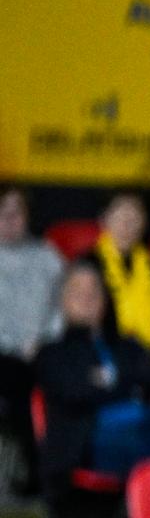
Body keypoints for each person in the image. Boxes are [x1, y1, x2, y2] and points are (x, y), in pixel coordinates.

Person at [35, 262, 150, 518]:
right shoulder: (53, 353)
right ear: (63, 301)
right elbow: (74, 393)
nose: (87, 298)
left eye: (94, 291)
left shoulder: (124, 346)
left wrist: (107, 382)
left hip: (138, 432)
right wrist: (126, 383)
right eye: (78, 291)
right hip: (87, 443)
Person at [0, 189, 61, 496]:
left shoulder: (47, 255)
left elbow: (63, 305)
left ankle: (48, 475)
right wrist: (12, 344)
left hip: (44, 349)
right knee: (16, 381)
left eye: (17, 212)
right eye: (3, 211)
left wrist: (42, 341)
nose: (10, 219)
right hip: (4, 353)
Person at [90, 194, 150, 353]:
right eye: (120, 216)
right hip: (105, 351)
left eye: (134, 218)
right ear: (104, 221)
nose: (126, 225)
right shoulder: (89, 265)